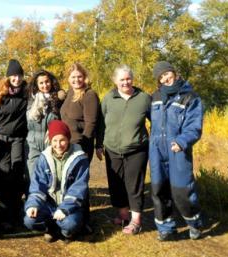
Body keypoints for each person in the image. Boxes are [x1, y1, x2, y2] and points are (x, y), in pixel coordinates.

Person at [150, 61, 204, 241]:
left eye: (167, 73)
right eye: (161, 77)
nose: (165, 78)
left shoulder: (190, 96)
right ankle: (166, 228)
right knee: (159, 189)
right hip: (157, 149)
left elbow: (194, 127)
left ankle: (195, 223)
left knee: (182, 190)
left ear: (174, 72)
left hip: (178, 150)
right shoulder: (155, 96)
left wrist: (181, 142)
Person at [95, 65, 151, 235]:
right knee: (116, 183)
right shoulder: (109, 98)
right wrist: (99, 144)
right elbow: (100, 122)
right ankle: (123, 215)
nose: (125, 82)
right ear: (115, 81)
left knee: (134, 184)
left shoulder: (143, 98)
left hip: (137, 149)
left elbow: (156, 120)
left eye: (128, 78)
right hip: (112, 149)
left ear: (132, 79)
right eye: (122, 79)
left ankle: (136, 221)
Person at [24, 120, 90, 242]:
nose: (58, 145)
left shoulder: (80, 159)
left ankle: (66, 232)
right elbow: (38, 185)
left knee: (70, 224)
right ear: (50, 141)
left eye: (62, 140)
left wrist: (64, 209)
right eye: (54, 140)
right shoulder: (44, 158)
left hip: (71, 206)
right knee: (29, 220)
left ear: (68, 139)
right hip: (50, 205)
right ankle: (51, 228)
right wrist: (33, 204)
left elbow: (79, 187)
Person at [0, 59, 27, 193]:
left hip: (18, 138)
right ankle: (5, 199)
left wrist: (60, 94)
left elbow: (45, 89)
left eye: (19, 76)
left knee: (17, 168)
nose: (17, 79)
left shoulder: (27, 93)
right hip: (1, 138)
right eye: (14, 76)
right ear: (8, 77)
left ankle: (16, 200)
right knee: (3, 169)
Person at [26, 70, 65, 181]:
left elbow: (63, 120)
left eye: (47, 82)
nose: (45, 85)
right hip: (32, 143)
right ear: (37, 85)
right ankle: (34, 197)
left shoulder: (58, 99)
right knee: (33, 174)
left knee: (51, 174)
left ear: (51, 82)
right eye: (41, 83)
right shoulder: (30, 100)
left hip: (51, 142)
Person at [60, 62, 100, 162]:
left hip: (80, 145)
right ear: (68, 78)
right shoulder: (70, 93)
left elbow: (91, 124)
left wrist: (84, 148)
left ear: (84, 77)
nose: (76, 80)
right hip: (66, 144)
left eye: (79, 76)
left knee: (78, 176)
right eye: (73, 77)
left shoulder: (89, 95)